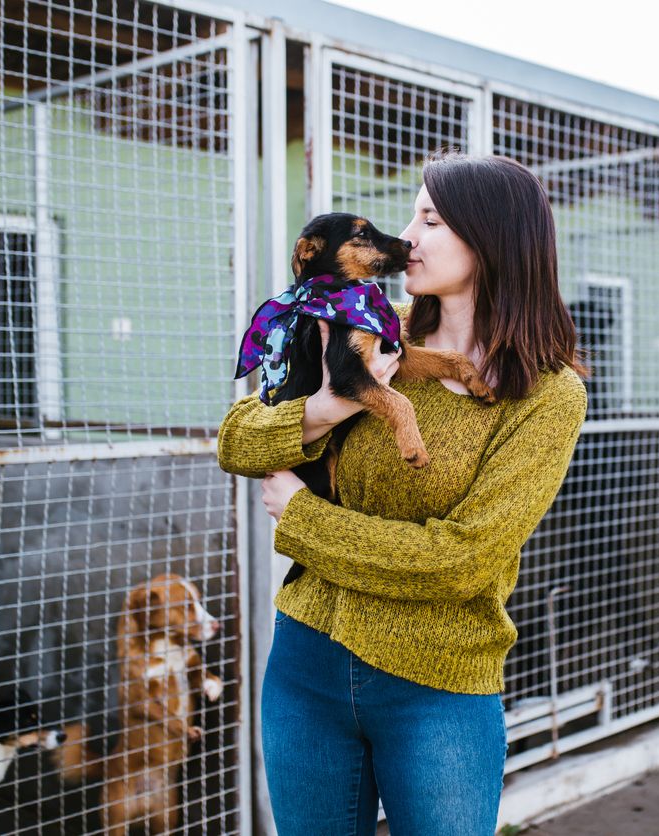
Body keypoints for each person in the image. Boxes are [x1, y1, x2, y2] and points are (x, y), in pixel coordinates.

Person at [217, 152, 588, 834]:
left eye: (431, 219)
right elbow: (237, 439)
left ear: (493, 237)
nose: (408, 235)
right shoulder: (368, 327)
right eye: (411, 216)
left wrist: (301, 519)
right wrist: (328, 407)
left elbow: (463, 560)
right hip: (308, 663)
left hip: (438, 683)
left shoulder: (547, 393)